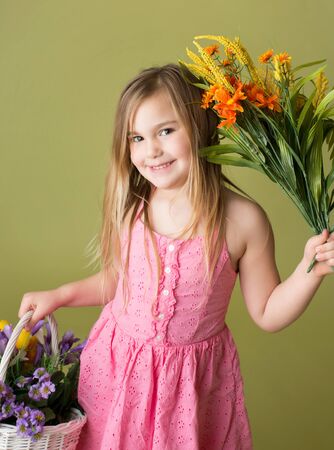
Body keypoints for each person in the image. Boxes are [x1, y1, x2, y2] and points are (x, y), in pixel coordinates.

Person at [18, 63, 334, 450]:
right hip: (118, 372)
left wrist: (310, 272)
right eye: (137, 137)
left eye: (166, 131)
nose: (151, 151)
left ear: (200, 127)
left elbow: (267, 312)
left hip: (188, 388)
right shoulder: (136, 205)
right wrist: (59, 295)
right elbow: (119, 282)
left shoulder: (242, 221)